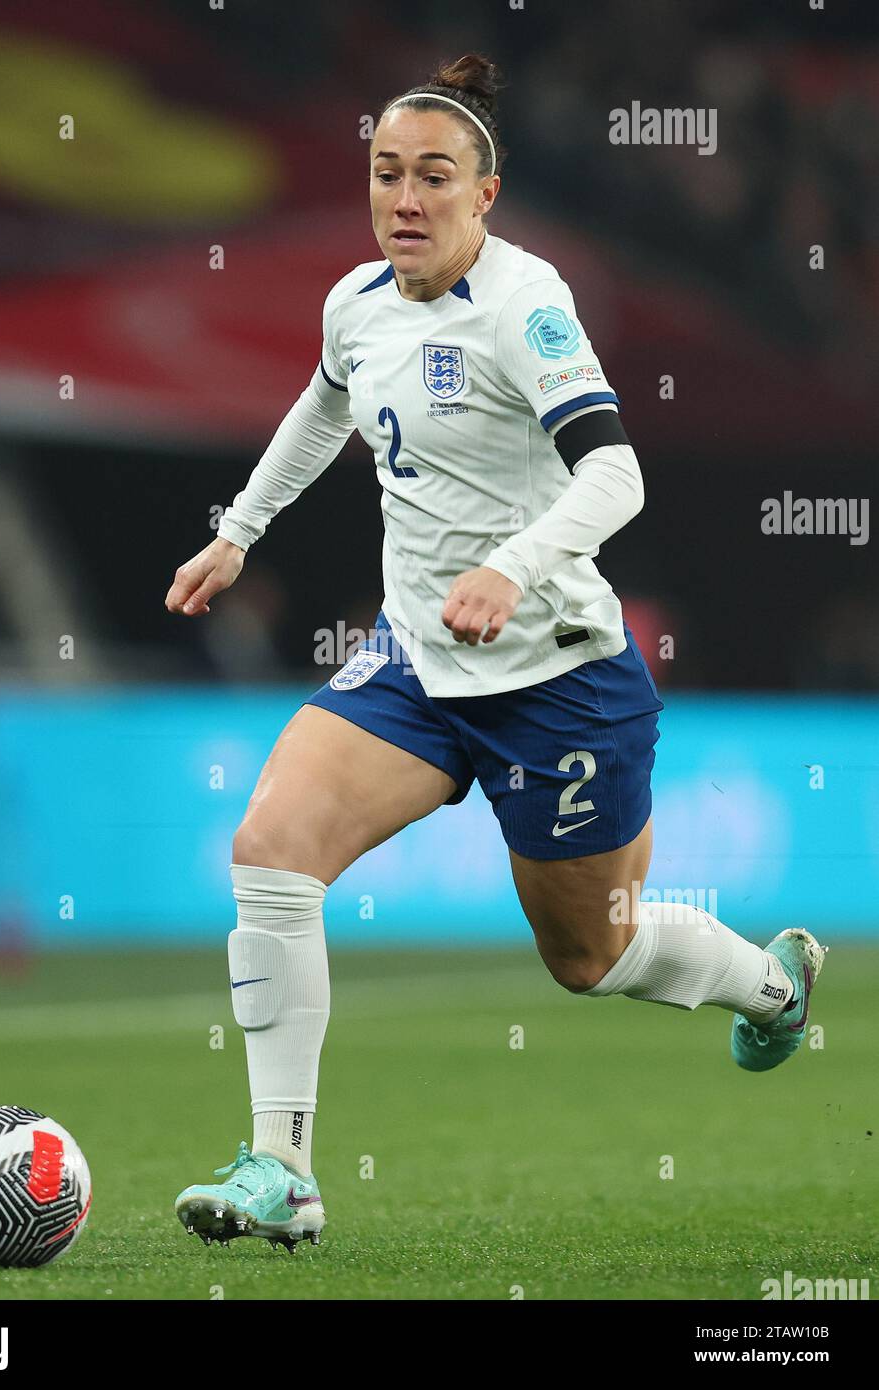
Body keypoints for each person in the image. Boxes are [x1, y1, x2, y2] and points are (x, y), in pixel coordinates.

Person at [165, 54, 826, 1252]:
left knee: (589, 954)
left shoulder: (528, 309)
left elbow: (615, 472)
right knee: (269, 850)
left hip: (558, 681)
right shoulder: (355, 303)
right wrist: (238, 532)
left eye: (432, 178)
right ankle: (283, 1166)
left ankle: (771, 986)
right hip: (416, 667)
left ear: (486, 194)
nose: (403, 200)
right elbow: (323, 403)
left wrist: (506, 567)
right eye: (384, 175)